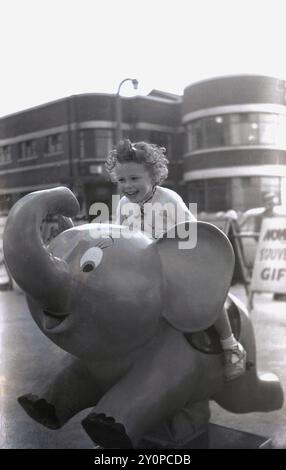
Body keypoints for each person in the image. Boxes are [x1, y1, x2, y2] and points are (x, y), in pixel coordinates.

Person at [105, 139, 246, 381]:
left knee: (204, 298)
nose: (127, 186)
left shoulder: (169, 200)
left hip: (177, 262)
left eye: (134, 179)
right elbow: (123, 237)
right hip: (144, 267)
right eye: (121, 180)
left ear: (153, 176)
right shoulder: (123, 206)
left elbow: (194, 233)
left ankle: (230, 344)